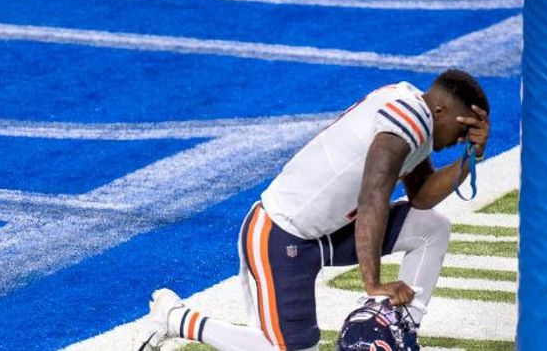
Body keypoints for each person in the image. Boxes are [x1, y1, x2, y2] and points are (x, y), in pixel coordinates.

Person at [134, 69, 491, 351]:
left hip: (330, 233)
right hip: (281, 235)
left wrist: (468, 159)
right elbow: (373, 196)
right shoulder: (410, 120)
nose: (462, 138)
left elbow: (423, 196)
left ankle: (399, 332)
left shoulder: (415, 117)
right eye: (463, 130)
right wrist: (374, 284)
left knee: (431, 228)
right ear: (441, 111)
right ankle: (176, 319)